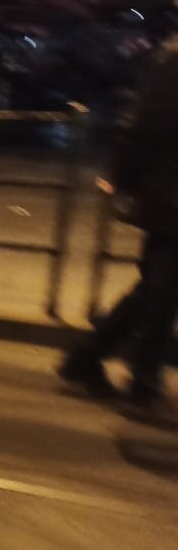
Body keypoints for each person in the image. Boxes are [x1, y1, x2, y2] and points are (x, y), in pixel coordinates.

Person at [59, 36, 178, 424]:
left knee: (156, 290)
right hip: (171, 196)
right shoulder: (174, 64)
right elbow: (149, 127)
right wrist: (124, 177)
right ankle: (142, 387)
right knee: (162, 293)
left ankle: (88, 358)